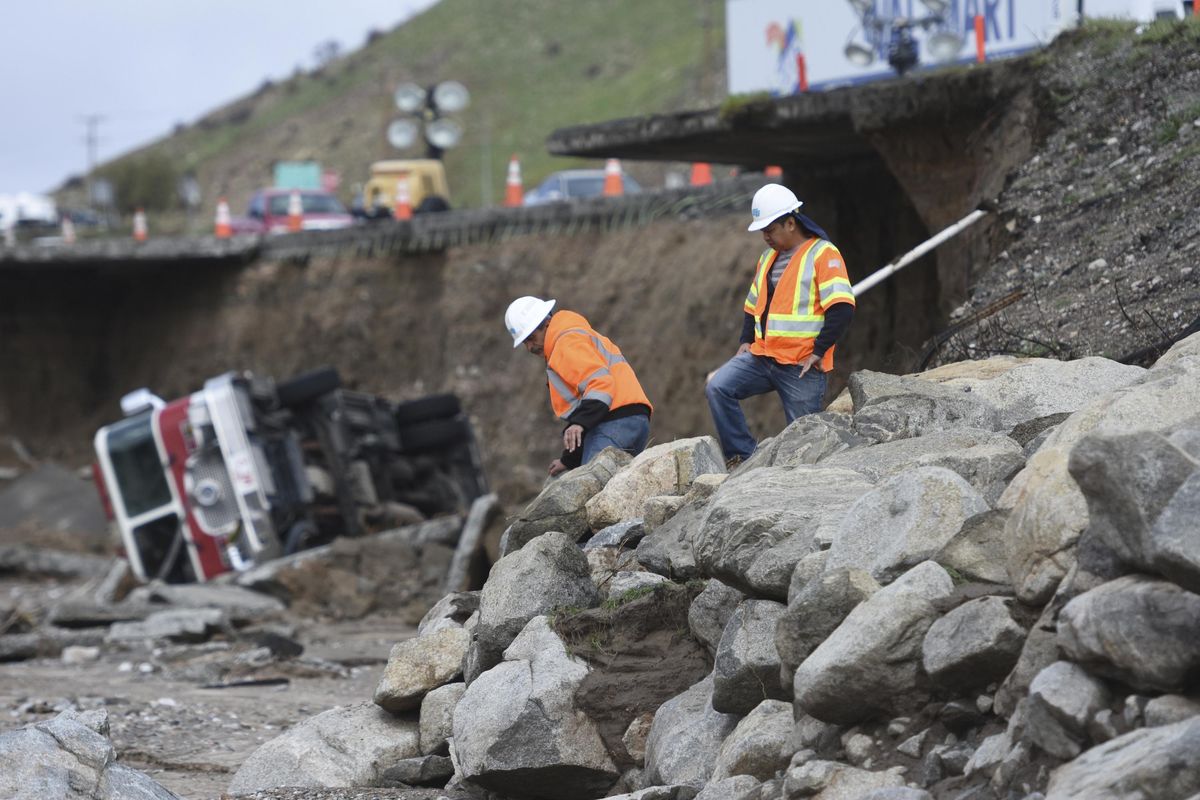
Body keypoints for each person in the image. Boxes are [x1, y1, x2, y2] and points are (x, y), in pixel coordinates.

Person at [705, 183, 856, 464]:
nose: (765, 237)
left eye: (769, 230)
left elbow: (842, 307)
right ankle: (741, 458)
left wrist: (819, 351)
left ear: (790, 223)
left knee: (805, 445)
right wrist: (745, 341)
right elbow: (753, 305)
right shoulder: (767, 258)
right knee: (718, 387)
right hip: (763, 356)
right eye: (762, 231)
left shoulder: (823, 254)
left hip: (801, 366)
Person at [505, 296, 653, 476]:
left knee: (592, 491)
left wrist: (579, 423)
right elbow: (588, 410)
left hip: (614, 422)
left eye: (531, 338)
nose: (529, 347)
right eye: (524, 342)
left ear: (546, 323)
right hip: (634, 420)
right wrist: (568, 460)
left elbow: (600, 385)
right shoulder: (573, 336)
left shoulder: (566, 344)